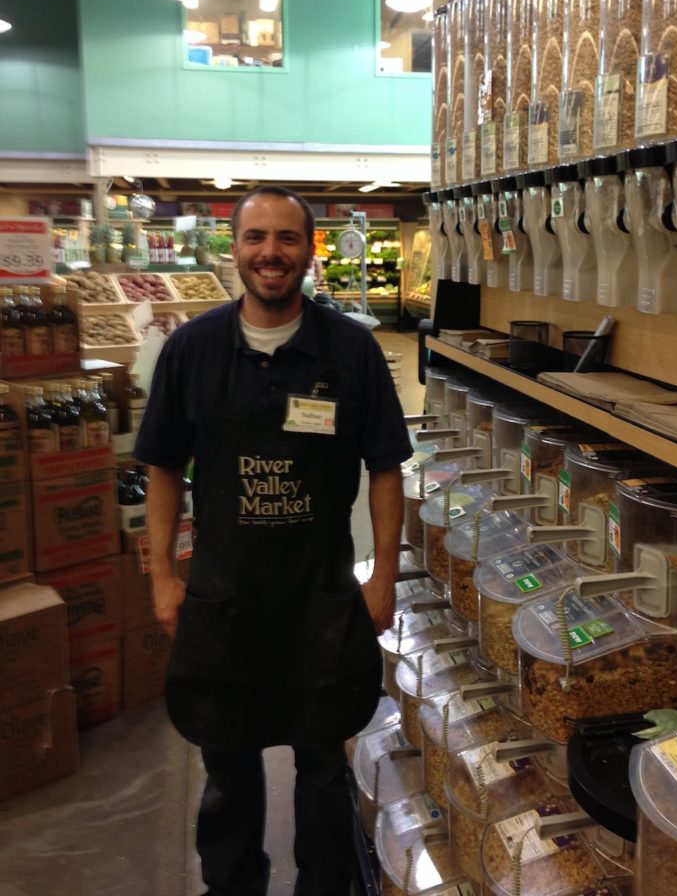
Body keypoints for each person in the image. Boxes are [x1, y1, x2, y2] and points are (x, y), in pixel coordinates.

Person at [134, 185, 412, 896]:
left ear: (309, 250)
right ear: (235, 249)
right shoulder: (192, 349)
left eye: (287, 238)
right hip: (223, 601)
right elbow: (162, 468)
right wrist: (162, 575)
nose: (271, 253)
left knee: (322, 769)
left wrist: (383, 577)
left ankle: (324, 887)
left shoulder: (350, 349)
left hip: (321, 601)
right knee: (228, 772)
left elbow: (386, 467)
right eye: (256, 237)